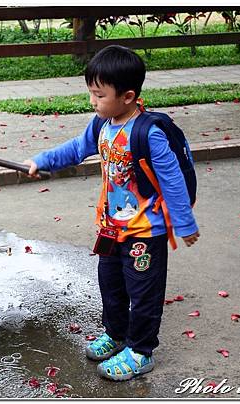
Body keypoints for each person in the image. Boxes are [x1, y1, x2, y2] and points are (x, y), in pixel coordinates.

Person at [23, 45, 200, 382]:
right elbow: (77, 148)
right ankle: (116, 334)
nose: (93, 101)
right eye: (91, 93)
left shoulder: (149, 134)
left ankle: (141, 350)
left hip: (145, 233)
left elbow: (172, 181)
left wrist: (184, 223)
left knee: (143, 292)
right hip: (111, 228)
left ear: (128, 96)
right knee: (111, 285)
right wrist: (43, 160)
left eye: (99, 95)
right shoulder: (103, 124)